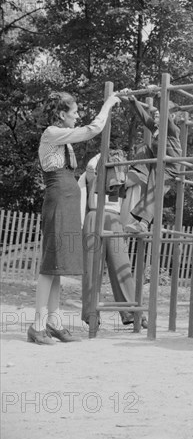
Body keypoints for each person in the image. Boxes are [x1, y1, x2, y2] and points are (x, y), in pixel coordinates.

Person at [28, 91, 121, 345]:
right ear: (61, 114)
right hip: (58, 199)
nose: (77, 115)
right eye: (74, 112)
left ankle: (54, 322)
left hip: (68, 200)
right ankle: (37, 326)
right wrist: (108, 104)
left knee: (59, 265)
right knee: (50, 264)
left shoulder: (64, 140)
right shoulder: (52, 133)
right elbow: (93, 129)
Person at [81, 152, 148, 329]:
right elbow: (89, 167)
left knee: (121, 265)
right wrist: (103, 155)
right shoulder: (95, 174)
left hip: (114, 219)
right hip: (95, 216)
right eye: (113, 159)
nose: (115, 162)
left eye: (119, 160)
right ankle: (91, 314)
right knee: (91, 267)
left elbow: (142, 175)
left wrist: (123, 165)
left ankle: (132, 312)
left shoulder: (124, 178)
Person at [122, 95, 182, 233]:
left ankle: (143, 223)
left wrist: (159, 94)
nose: (156, 112)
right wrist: (133, 99)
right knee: (143, 146)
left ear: (169, 117)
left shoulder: (172, 130)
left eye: (159, 112)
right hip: (158, 162)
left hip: (170, 166)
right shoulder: (156, 129)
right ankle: (140, 173)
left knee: (153, 192)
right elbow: (143, 116)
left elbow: (165, 112)